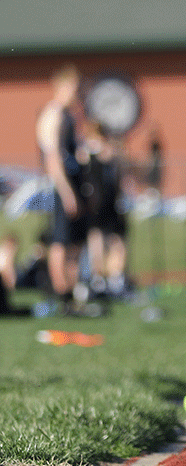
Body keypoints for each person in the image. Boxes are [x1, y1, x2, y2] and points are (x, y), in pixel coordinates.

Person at [36, 64, 89, 311]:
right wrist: (68, 193)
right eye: (74, 88)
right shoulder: (53, 114)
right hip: (62, 186)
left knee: (75, 243)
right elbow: (53, 159)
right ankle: (63, 296)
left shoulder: (70, 115)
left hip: (74, 184)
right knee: (60, 241)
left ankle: (74, 294)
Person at [80, 119, 133, 300]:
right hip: (98, 202)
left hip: (108, 201)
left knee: (113, 241)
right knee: (99, 240)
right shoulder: (89, 151)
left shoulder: (107, 150)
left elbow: (119, 171)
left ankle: (113, 278)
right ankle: (100, 278)